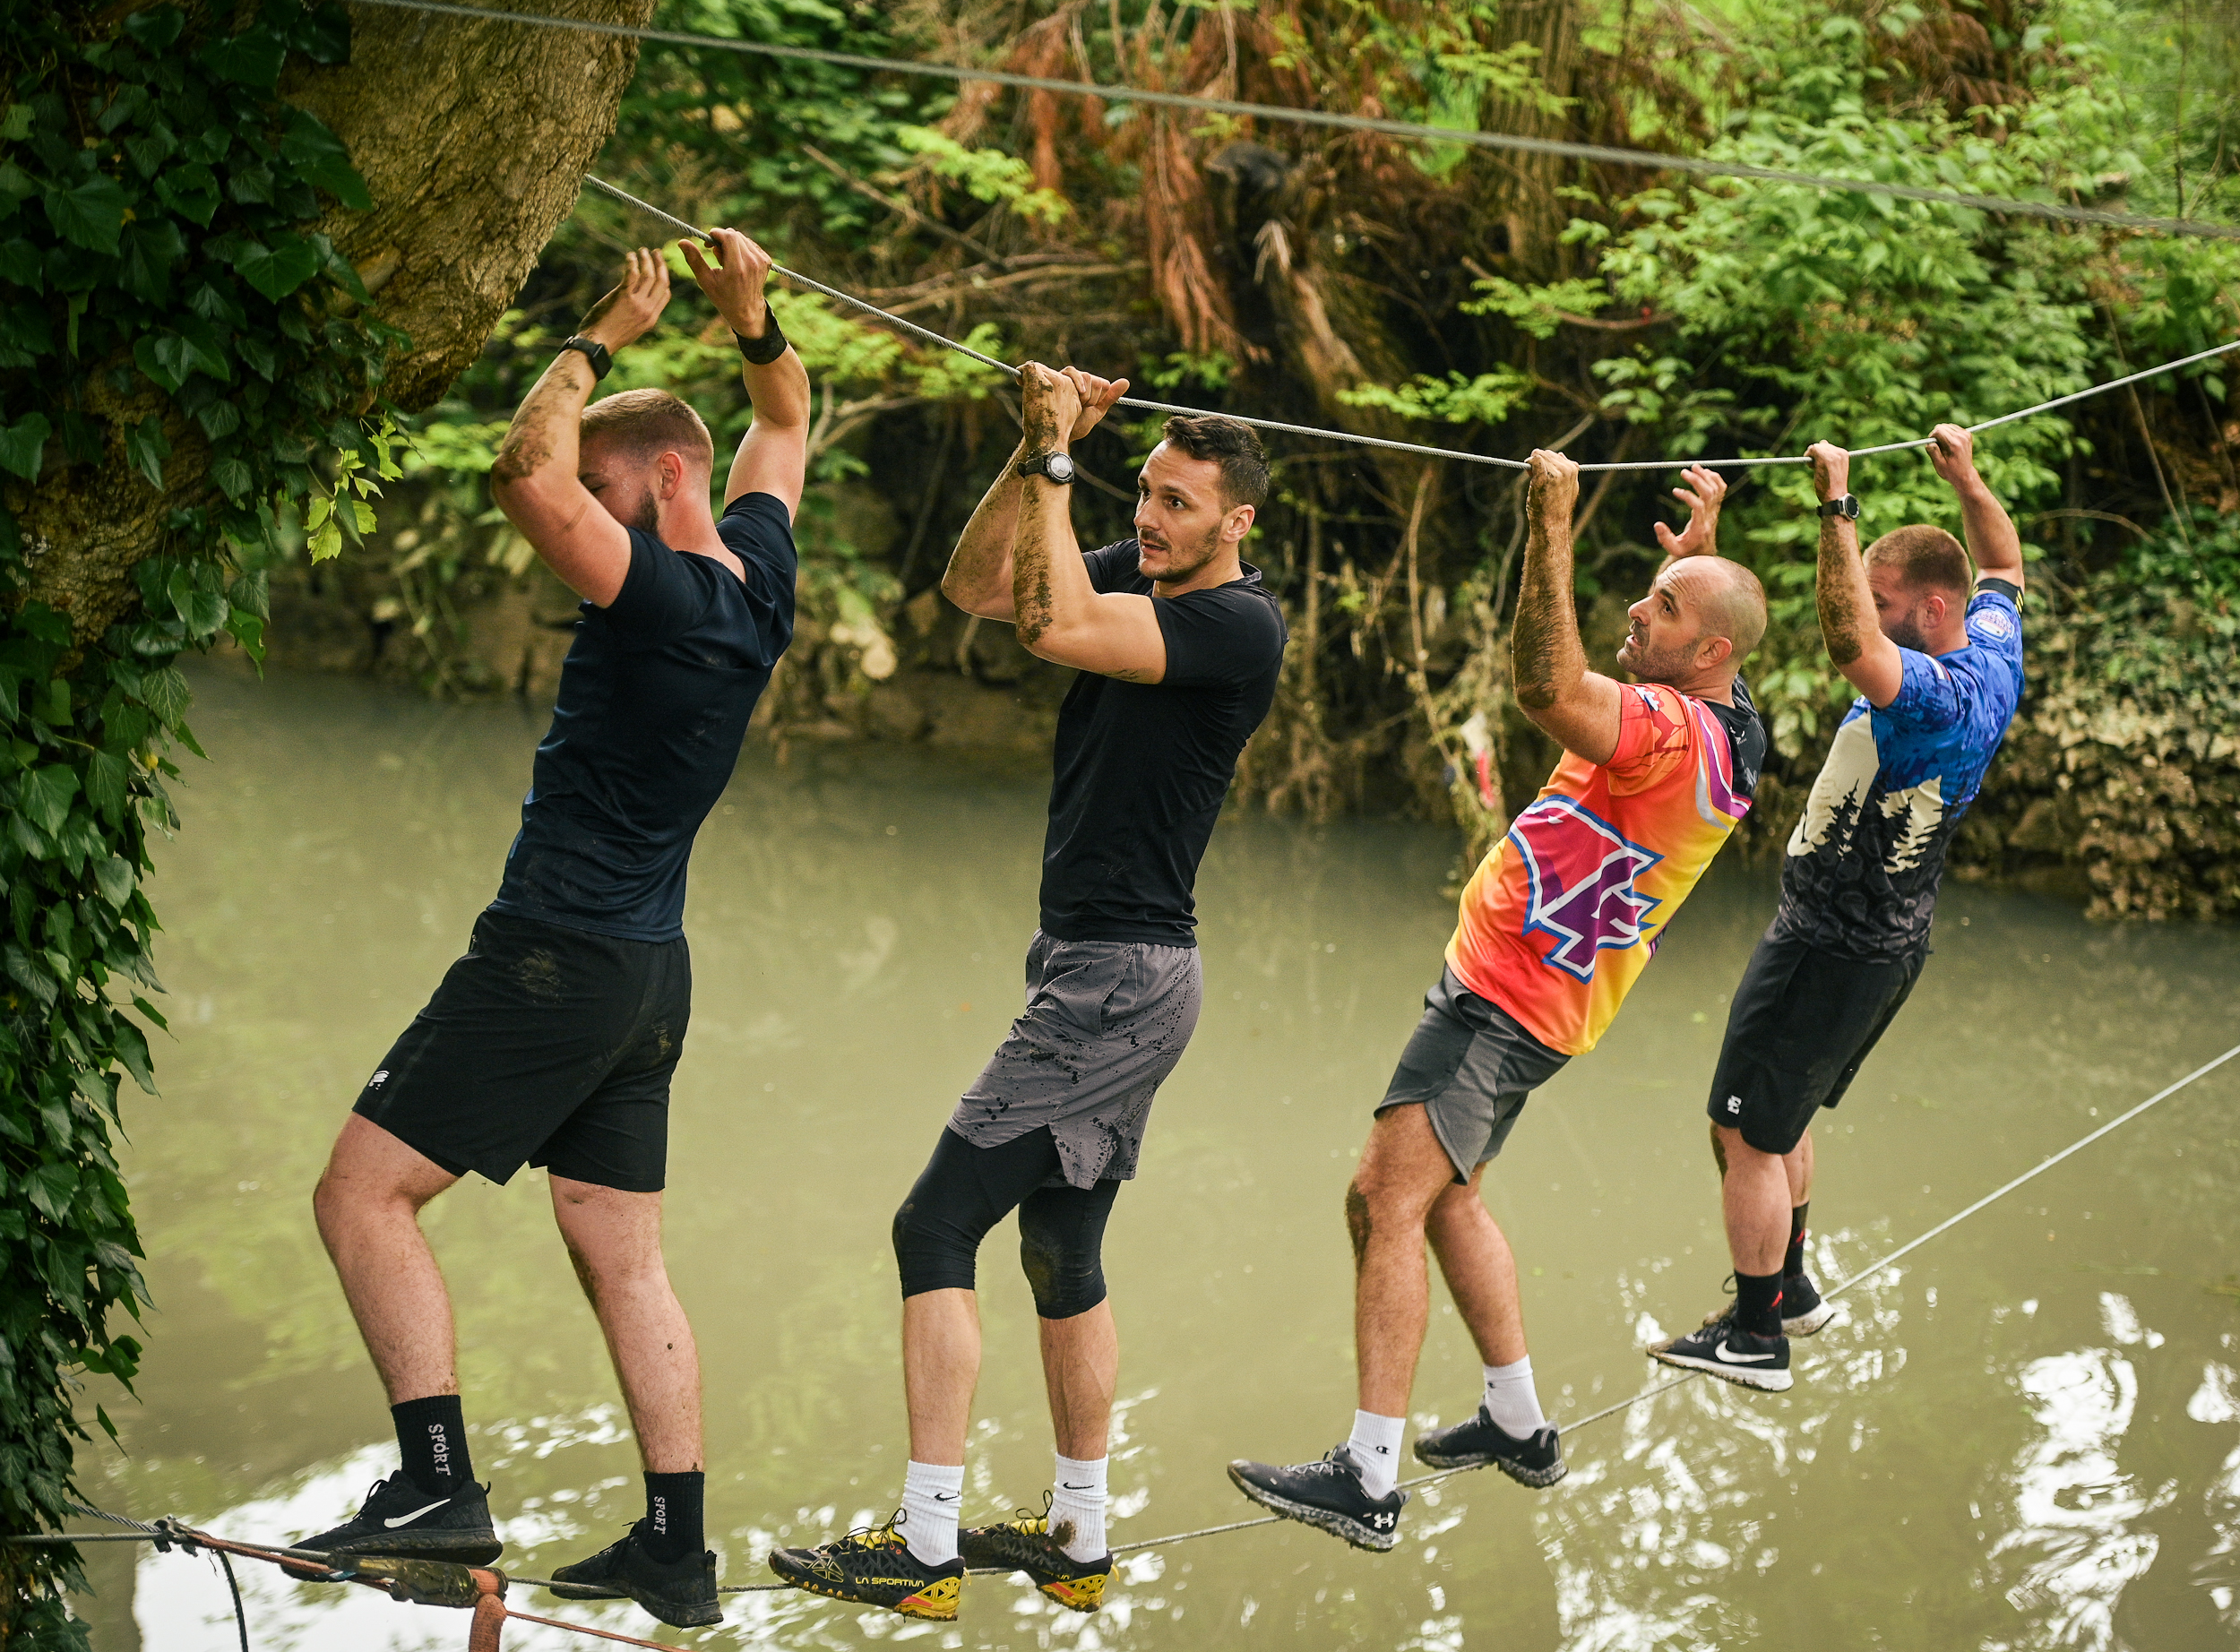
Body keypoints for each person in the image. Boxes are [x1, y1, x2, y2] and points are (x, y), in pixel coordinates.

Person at [297, 233, 809, 1630]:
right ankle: (676, 1548)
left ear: (665, 480)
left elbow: (525, 473)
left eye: (611, 491)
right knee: (620, 1251)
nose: (593, 515)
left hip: (554, 953)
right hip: (649, 974)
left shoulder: (665, 596)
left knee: (359, 1196)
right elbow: (784, 420)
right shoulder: (761, 578)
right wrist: (752, 318)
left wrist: (601, 335)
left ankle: (434, 1489)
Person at [765, 366, 1287, 1622]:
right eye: (1144, 490)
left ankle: (923, 1546)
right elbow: (982, 591)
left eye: (1177, 503)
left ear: (1237, 522)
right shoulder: (1137, 571)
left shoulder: (1237, 624)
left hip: (1119, 979)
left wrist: (1060, 454)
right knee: (1061, 1247)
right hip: (1108, 967)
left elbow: (1053, 630)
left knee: (932, 1226)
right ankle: (1076, 1538)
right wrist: (1027, 453)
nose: (1148, 516)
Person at [1228, 454, 1768, 1551]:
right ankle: (1517, 1422)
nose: (1638, 608)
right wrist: (1697, 560)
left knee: (1380, 1199)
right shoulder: (1730, 723)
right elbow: (1709, 640)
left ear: (1707, 651)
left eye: (1661, 606)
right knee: (1450, 1196)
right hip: (1536, 998)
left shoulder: (1665, 730)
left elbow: (1548, 691)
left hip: (1503, 1002)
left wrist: (1549, 524)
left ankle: (1366, 1477)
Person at [1648, 426, 2025, 1391]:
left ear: (1929, 609)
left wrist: (1836, 508)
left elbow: (1850, 641)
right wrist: (1968, 478)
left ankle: (1754, 1335)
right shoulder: (1992, 644)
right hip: (1883, 947)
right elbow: (2003, 562)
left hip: (1830, 945)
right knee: (1780, 1120)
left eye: (1885, 598)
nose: (1871, 609)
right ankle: (1792, 1289)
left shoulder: (1933, 694)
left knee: (1742, 1133)